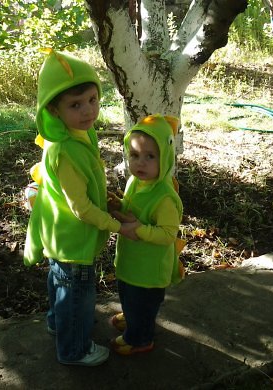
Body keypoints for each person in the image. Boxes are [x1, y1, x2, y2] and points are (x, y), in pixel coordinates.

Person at [23, 49, 138, 366]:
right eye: (75, 105)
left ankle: (57, 323)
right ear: (54, 110)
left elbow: (85, 185)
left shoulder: (78, 131)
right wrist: (117, 226)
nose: (88, 111)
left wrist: (108, 198)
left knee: (60, 284)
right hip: (73, 239)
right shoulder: (66, 150)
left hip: (62, 234)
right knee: (77, 293)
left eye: (92, 99)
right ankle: (73, 350)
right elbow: (81, 207)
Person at [108, 113, 185, 356]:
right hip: (132, 262)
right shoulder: (136, 182)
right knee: (128, 295)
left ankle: (140, 338)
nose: (140, 163)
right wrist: (118, 205)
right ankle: (132, 318)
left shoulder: (164, 198)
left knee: (143, 304)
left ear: (166, 157)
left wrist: (138, 229)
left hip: (149, 270)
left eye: (150, 156)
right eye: (135, 155)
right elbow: (133, 213)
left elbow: (166, 235)